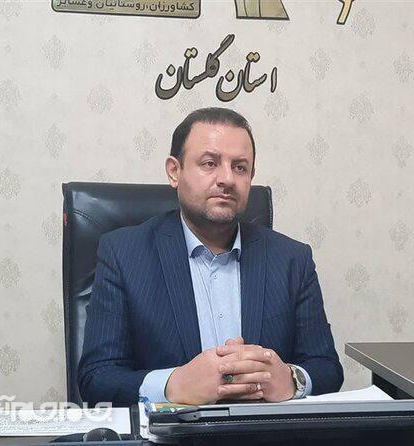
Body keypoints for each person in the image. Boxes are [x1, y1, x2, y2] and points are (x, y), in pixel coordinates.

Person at [78, 107, 343, 407]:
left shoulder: (292, 259)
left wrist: (291, 379)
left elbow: (327, 368)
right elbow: (96, 378)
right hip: (172, 430)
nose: (227, 179)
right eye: (209, 163)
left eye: (240, 167)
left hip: (261, 429)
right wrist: (173, 384)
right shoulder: (124, 254)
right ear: (174, 171)